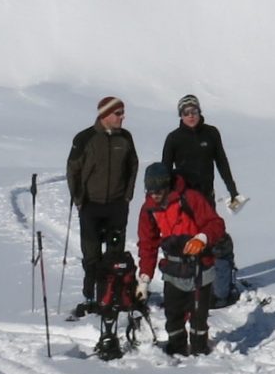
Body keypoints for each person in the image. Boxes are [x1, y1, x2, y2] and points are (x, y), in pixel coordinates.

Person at [136, 162, 228, 356]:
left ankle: (199, 351)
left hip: (199, 268)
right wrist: (144, 279)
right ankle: (176, 351)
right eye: (150, 191)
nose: (154, 195)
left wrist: (202, 238)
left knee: (198, 318)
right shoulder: (149, 209)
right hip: (173, 268)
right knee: (173, 315)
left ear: (167, 185)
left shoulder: (190, 198)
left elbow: (216, 224)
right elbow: (147, 244)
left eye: (158, 190)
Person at [64, 95, 138, 317]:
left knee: (115, 254)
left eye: (122, 112)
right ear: (105, 115)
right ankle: (92, 297)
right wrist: (79, 200)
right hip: (91, 206)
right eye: (118, 113)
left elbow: (132, 166)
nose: (122, 117)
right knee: (92, 255)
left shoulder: (125, 138)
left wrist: (127, 196)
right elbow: (72, 170)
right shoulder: (85, 138)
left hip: (117, 205)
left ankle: (115, 296)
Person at [162, 93, 243, 210]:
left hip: (207, 196)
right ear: (181, 115)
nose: (191, 116)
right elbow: (165, 169)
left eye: (194, 111)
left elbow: (222, 162)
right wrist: (165, 197)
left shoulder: (211, 133)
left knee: (211, 228)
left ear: (199, 112)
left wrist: (232, 189)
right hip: (184, 198)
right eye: (186, 112)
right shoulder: (173, 138)